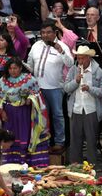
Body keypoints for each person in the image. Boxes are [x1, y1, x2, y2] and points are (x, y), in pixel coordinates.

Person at [0, 57, 50, 167]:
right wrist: (1, 112)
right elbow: (0, 99)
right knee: (9, 136)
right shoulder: (3, 81)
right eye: (10, 68)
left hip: (24, 114)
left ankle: (28, 163)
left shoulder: (30, 80)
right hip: (8, 115)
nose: (13, 71)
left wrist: (29, 100)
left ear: (21, 68)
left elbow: (37, 96)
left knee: (24, 135)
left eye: (15, 68)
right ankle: (10, 163)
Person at [27, 20, 74, 152]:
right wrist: (22, 65)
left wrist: (62, 52)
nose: (45, 35)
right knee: (40, 116)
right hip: (38, 88)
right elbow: (30, 65)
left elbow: (70, 64)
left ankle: (59, 142)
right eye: (43, 33)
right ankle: (43, 142)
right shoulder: (36, 45)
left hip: (55, 88)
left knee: (58, 116)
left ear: (55, 33)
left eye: (48, 32)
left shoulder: (62, 46)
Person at [64, 45, 102, 165]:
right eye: (78, 58)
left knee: (91, 140)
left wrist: (90, 89)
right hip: (76, 109)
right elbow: (66, 88)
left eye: (83, 58)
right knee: (75, 140)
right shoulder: (73, 70)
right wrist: (76, 81)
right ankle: (75, 166)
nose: (80, 61)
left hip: (91, 110)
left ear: (89, 58)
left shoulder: (97, 71)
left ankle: (91, 166)